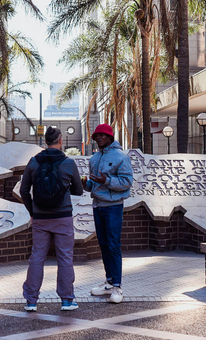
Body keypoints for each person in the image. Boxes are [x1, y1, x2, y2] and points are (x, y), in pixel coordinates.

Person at [21, 127, 84, 312]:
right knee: (65, 257)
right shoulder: (68, 163)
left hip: (40, 218)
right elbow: (79, 190)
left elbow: (24, 190)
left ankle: (31, 301)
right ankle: (66, 300)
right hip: (62, 216)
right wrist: (65, 188)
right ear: (60, 140)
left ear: (46, 141)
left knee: (37, 257)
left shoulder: (33, 162)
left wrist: (32, 211)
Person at [85, 123, 132, 304]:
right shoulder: (94, 159)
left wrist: (107, 180)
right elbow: (94, 184)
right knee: (104, 245)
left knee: (113, 245)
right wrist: (86, 185)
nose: (98, 138)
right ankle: (109, 282)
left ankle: (118, 287)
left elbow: (127, 182)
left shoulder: (121, 157)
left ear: (110, 137)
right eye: (96, 135)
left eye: (102, 135)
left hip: (113, 206)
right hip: (98, 206)